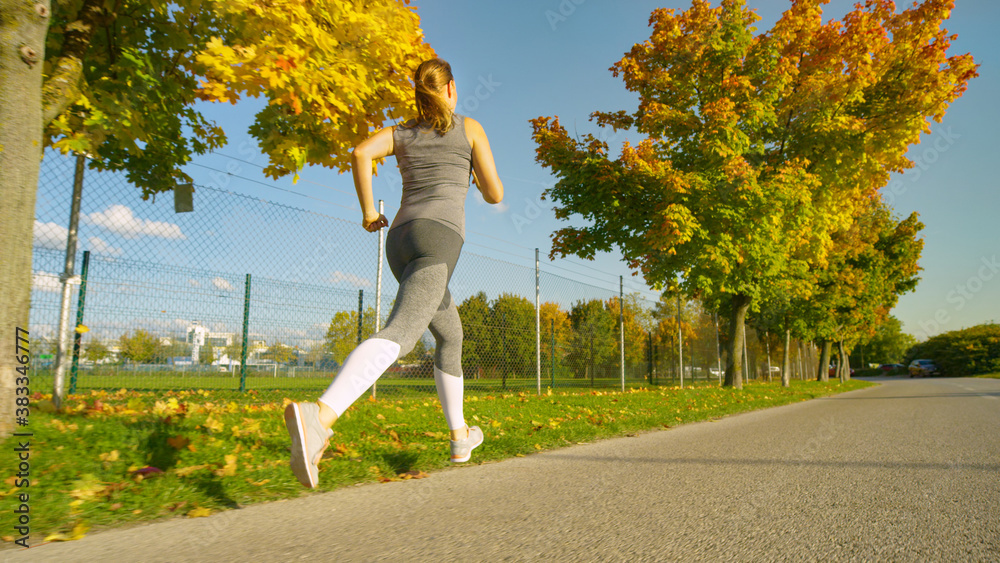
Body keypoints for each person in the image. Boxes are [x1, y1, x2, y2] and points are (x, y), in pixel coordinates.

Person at [284, 58, 505, 488]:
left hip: (400, 240)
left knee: (450, 334)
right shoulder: (469, 128)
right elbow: (496, 194)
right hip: (438, 240)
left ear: (419, 94)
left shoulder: (400, 133)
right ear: (451, 89)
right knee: (402, 333)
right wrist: (475, 177)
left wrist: (369, 211)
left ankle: (460, 438)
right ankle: (319, 417)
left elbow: (360, 152)